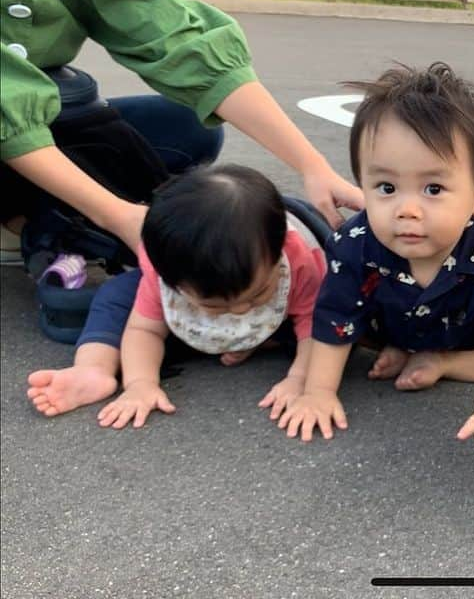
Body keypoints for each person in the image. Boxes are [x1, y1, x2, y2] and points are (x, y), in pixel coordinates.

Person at [276, 62, 474, 444]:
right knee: (343, 331)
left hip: (471, 340)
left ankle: (443, 363)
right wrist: (318, 392)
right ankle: (402, 352)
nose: (406, 209)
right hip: (387, 330)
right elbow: (335, 319)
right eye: (386, 187)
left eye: (432, 189)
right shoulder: (355, 242)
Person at [0, 0, 362, 263]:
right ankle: (28, 223)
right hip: (10, 122)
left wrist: (313, 166)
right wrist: (119, 217)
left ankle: (47, 210)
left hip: (35, 115)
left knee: (187, 129)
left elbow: (176, 39)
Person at [26, 165, 327, 428]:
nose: (240, 311)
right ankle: (93, 369)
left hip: (281, 319)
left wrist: (301, 379)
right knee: (114, 298)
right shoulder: (165, 273)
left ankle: (260, 339)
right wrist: (140, 384)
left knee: (331, 331)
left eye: (258, 293)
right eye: (216, 306)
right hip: (186, 320)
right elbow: (143, 330)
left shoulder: (298, 262)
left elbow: (315, 326)